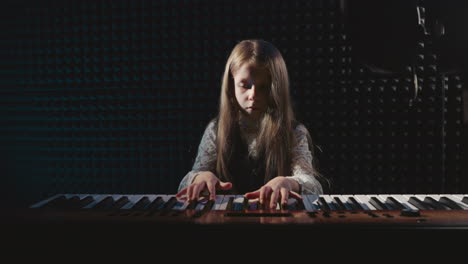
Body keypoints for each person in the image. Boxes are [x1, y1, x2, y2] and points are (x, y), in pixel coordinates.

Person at [176, 39, 324, 209]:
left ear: (276, 88)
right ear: (231, 86)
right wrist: (200, 177)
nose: (253, 94)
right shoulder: (216, 130)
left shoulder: (294, 131)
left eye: (263, 87)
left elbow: (313, 186)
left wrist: (289, 183)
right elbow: (187, 182)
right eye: (244, 85)